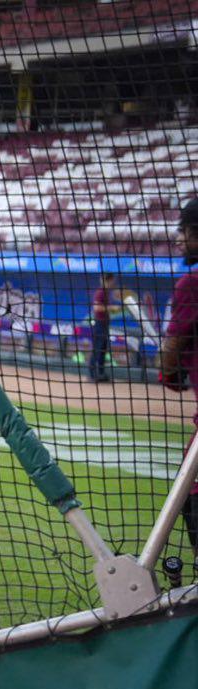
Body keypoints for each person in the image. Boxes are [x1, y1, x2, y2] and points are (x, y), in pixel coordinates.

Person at [158, 196, 198, 560]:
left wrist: (168, 372)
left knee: (190, 496)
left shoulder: (191, 283)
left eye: (184, 231)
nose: (178, 239)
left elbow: (171, 348)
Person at [88, 271, 119, 382]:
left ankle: (101, 374)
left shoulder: (106, 292)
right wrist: (111, 308)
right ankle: (92, 375)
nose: (113, 282)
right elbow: (96, 308)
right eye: (112, 280)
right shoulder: (100, 292)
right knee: (97, 349)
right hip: (99, 324)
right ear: (108, 280)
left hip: (104, 324)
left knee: (103, 350)